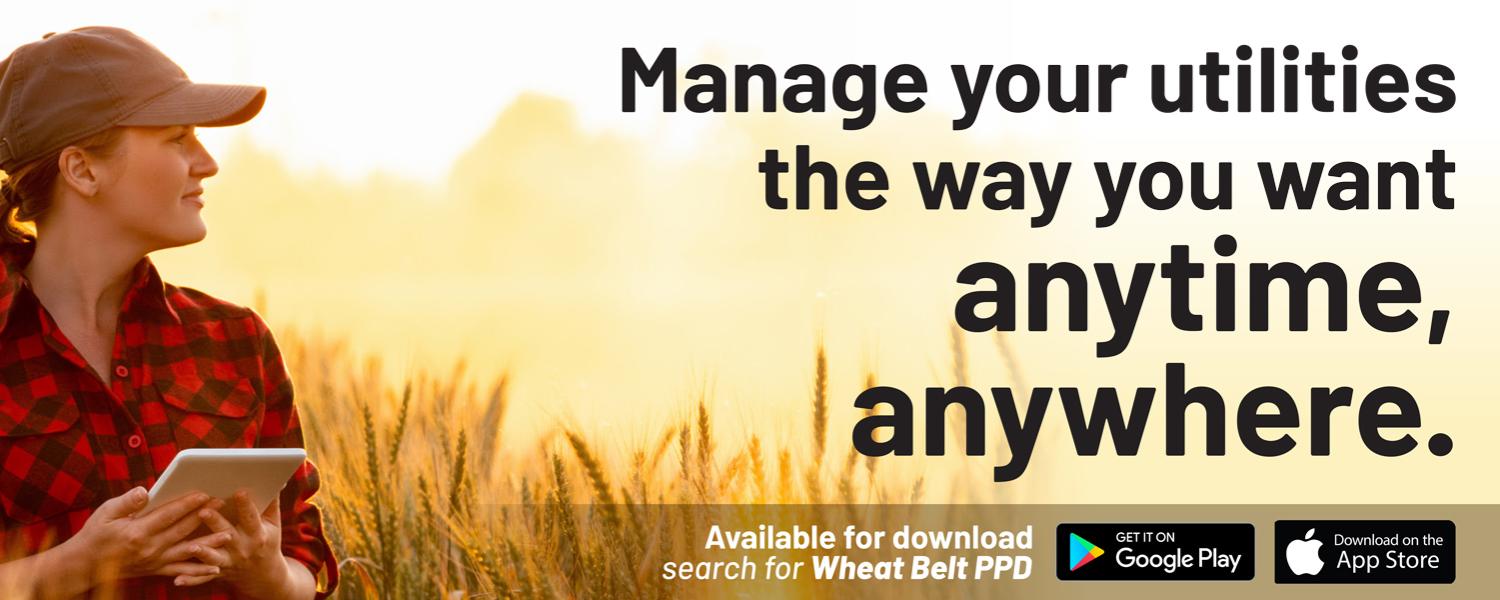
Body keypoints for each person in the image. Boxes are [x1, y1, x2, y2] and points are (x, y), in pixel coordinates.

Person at [0, 27, 338, 598]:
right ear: (83, 170)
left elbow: (305, 562)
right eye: (178, 138)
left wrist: (268, 574)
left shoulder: (237, 341)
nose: (207, 163)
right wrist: (77, 565)